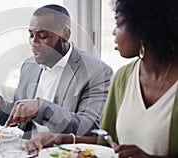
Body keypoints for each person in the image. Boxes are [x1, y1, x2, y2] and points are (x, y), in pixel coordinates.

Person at [24, 0, 178, 157]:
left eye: (119, 24)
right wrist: (62, 139)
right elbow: (105, 141)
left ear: (145, 28)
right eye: (31, 35)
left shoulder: (99, 72)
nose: (113, 32)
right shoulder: (124, 77)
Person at [0, 4, 113, 139]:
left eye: (42, 36)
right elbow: (19, 114)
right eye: (31, 35)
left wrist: (41, 109)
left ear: (65, 35)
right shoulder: (29, 65)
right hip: (25, 149)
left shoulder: (97, 72)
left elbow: (89, 127)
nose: (34, 42)